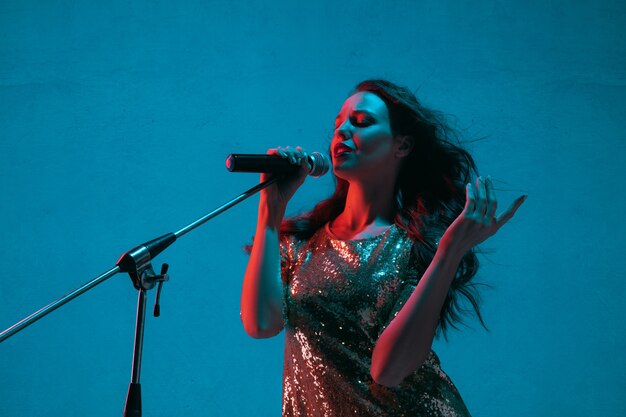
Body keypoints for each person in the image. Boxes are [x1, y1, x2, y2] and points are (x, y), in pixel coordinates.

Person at [240, 79, 526, 416]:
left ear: (401, 146)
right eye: (337, 126)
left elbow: (388, 371)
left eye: (360, 122)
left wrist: (450, 251)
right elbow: (260, 325)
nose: (342, 132)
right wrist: (270, 210)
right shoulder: (301, 243)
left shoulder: (415, 247)